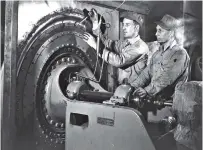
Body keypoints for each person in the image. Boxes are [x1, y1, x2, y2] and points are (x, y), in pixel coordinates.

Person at [131, 14, 190, 100]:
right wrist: (132, 86)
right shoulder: (157, 54)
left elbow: (167, 77)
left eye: (160, 31)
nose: (156, 33)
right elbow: (145, 74)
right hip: (156, 100)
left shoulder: (180, 54)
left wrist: (147, 90)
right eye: (156, 30)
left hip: (172, 104)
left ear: (171, 33)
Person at [83, 9, 149, 85]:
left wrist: (95, 45)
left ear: (136, 28)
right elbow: (106, 43)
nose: (123, 28)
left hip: (135, 88)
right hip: (124, 87)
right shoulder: (126, 43)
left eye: (127, 25)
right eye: (123, 25)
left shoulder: (140, 47)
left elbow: (119, 61)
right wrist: (95, 23)